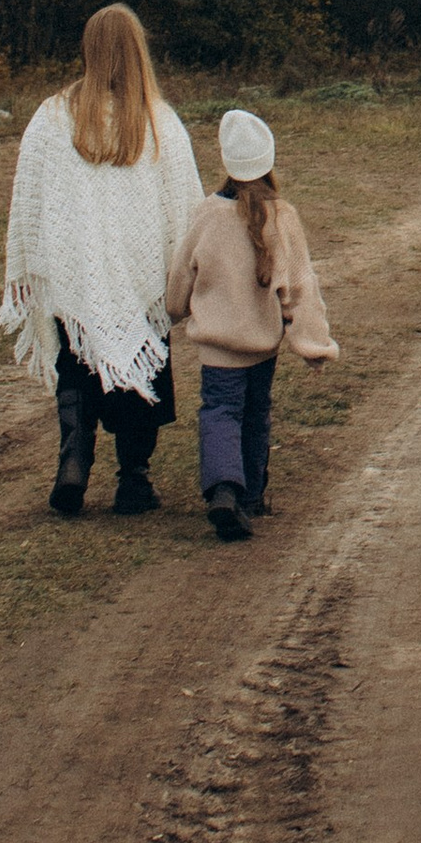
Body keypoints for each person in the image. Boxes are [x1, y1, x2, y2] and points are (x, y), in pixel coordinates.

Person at [0, 3, 207, 517]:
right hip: (139, 285)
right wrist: (184, 279)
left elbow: (29, 206)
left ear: (89, 49)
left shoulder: (51, 118)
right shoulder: (162, 124)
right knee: (144, 375)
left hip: (76, 281)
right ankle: (133, 481)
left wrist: (51, 262)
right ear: (139, 52)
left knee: (75, 366)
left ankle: (73, 460)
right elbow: (187, 216)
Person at [165, 107, 339, 541]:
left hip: (217, 349)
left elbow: (182, 271)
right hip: (262, 347)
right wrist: (313, 344)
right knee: (256, 413)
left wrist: (174, 309)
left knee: (220, 411)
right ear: (269, 161)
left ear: (225, 162)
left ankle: (223, 489)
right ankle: (252, 495)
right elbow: (300, 287)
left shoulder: (207, 213)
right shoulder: (283, 217)